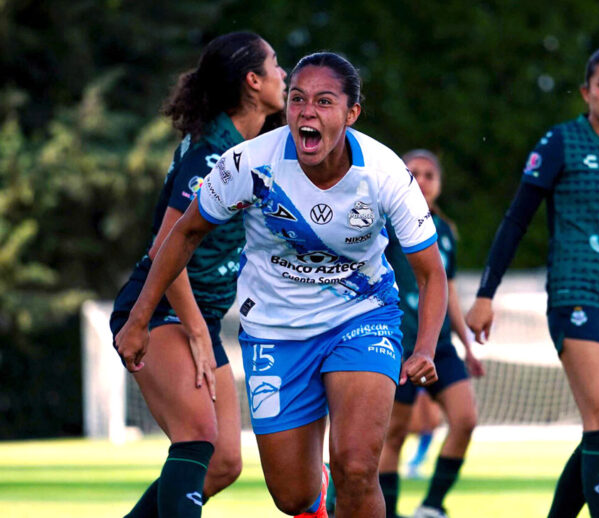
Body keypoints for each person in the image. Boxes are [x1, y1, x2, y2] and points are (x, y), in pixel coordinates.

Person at [115, 52, 448, 518]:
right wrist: (138, 318)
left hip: (362, 319)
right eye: (297, 99)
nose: (307, 112)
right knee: (292, 497)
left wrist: (426, 347)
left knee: (356, 466)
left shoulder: (385, 172)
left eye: (324, 101)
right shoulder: (249, 163)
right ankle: (317, 488)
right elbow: (183, 233)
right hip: (275, 331)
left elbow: (431, 273)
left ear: (351, 113)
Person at [465, 46, 599, 518]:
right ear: (587, 92)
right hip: (577, 297)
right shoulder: (560, 142)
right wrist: (485, 294)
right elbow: (516, 220)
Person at [109, 32, 286, 518]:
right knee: (197, 437)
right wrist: (196, 332)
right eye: (275, 64)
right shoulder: (213, 153)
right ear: (253, 81)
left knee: (224, 462)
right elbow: (166, 247)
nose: (283, 74)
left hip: (198, 316)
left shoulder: (251, 148)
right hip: (161, 308)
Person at [378, 149, 485, 518]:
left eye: (429, 174)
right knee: (394, 433)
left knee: (465, 420)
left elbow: (447, 289)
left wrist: (467, 346)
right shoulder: (387, 222)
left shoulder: (446, 231)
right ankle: (389, 512)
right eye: (414, 173)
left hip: (439, 345)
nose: (421, 180)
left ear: (439, 184)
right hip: (399, 344)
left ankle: (432, 505)